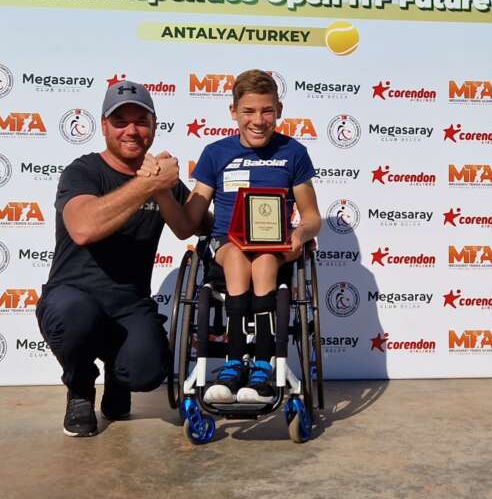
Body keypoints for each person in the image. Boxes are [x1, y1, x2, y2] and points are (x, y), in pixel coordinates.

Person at [36, 81, 203, 437]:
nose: (131, 130)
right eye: (120, 121)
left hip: (129, 305)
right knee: (73, 315)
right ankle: (80, 389)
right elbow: (83, 228)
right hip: (72, 296)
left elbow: (196, 224)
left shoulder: (163, 181)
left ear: (154, 126)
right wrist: (148, 185)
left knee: (148, 370)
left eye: (141, 121)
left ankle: (118, 373)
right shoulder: (83, 171)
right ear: (103, 126)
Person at [181, 69, 322, 404]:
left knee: (264, 258)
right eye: (248, 111)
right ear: (233, 112)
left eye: (267, 111)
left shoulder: (293, 153)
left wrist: (301, 232)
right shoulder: (215, 153)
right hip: (226, 245)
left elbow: (313, 218)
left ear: (279, 110)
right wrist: (161, 192)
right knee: (234, 254)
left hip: (274, 246)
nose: (258, 120)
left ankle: (262, 365)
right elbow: (191, 217)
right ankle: (233, 362)